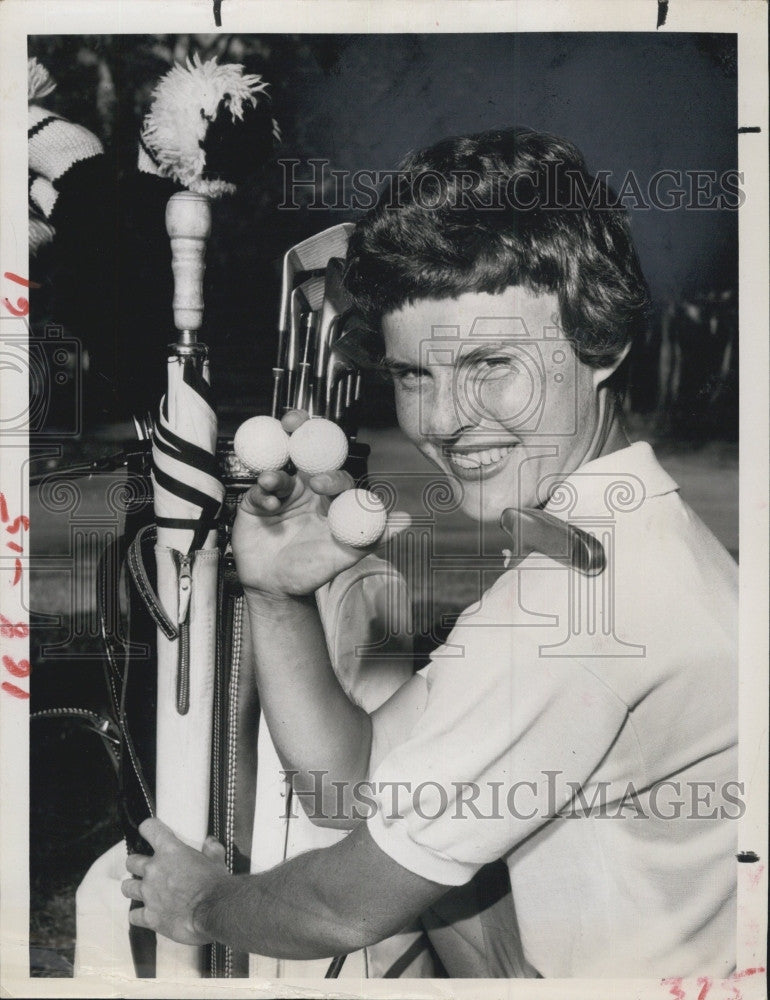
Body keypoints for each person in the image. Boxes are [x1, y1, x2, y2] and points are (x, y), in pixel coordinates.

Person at [121, 128, 739, 978]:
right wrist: (274, 595)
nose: (445, 418)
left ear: (601, 345)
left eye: (491, 363)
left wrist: (197, 904)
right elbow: (359, 780)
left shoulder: (585, 610)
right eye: (416, 376)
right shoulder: (598, 545)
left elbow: (343, 905)